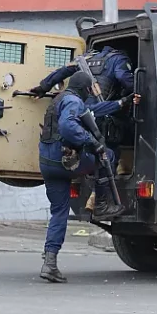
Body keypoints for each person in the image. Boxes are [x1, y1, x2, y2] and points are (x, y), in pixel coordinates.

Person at [38, 71, 135, 283]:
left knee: (59, 212)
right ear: (84, 88)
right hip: (64, 162)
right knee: (107, 155)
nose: (91, 92)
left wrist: (121, 103)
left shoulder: (61, 98)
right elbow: (68, 125)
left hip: (47, 164)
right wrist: (93, 143)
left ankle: (50, 262)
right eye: (90, 89)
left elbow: (93, 111)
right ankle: (101, 204)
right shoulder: (74, 101)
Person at [30, 45, 136, 211]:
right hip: (100, 114)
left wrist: (44, 86)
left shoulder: (86, 58)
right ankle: (100, 200)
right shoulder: (118, 58)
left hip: (81, 115)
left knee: (91, 152)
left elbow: (63, 71)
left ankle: (93, 192)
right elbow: (126, 80)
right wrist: (134, 93)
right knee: (110, 152)